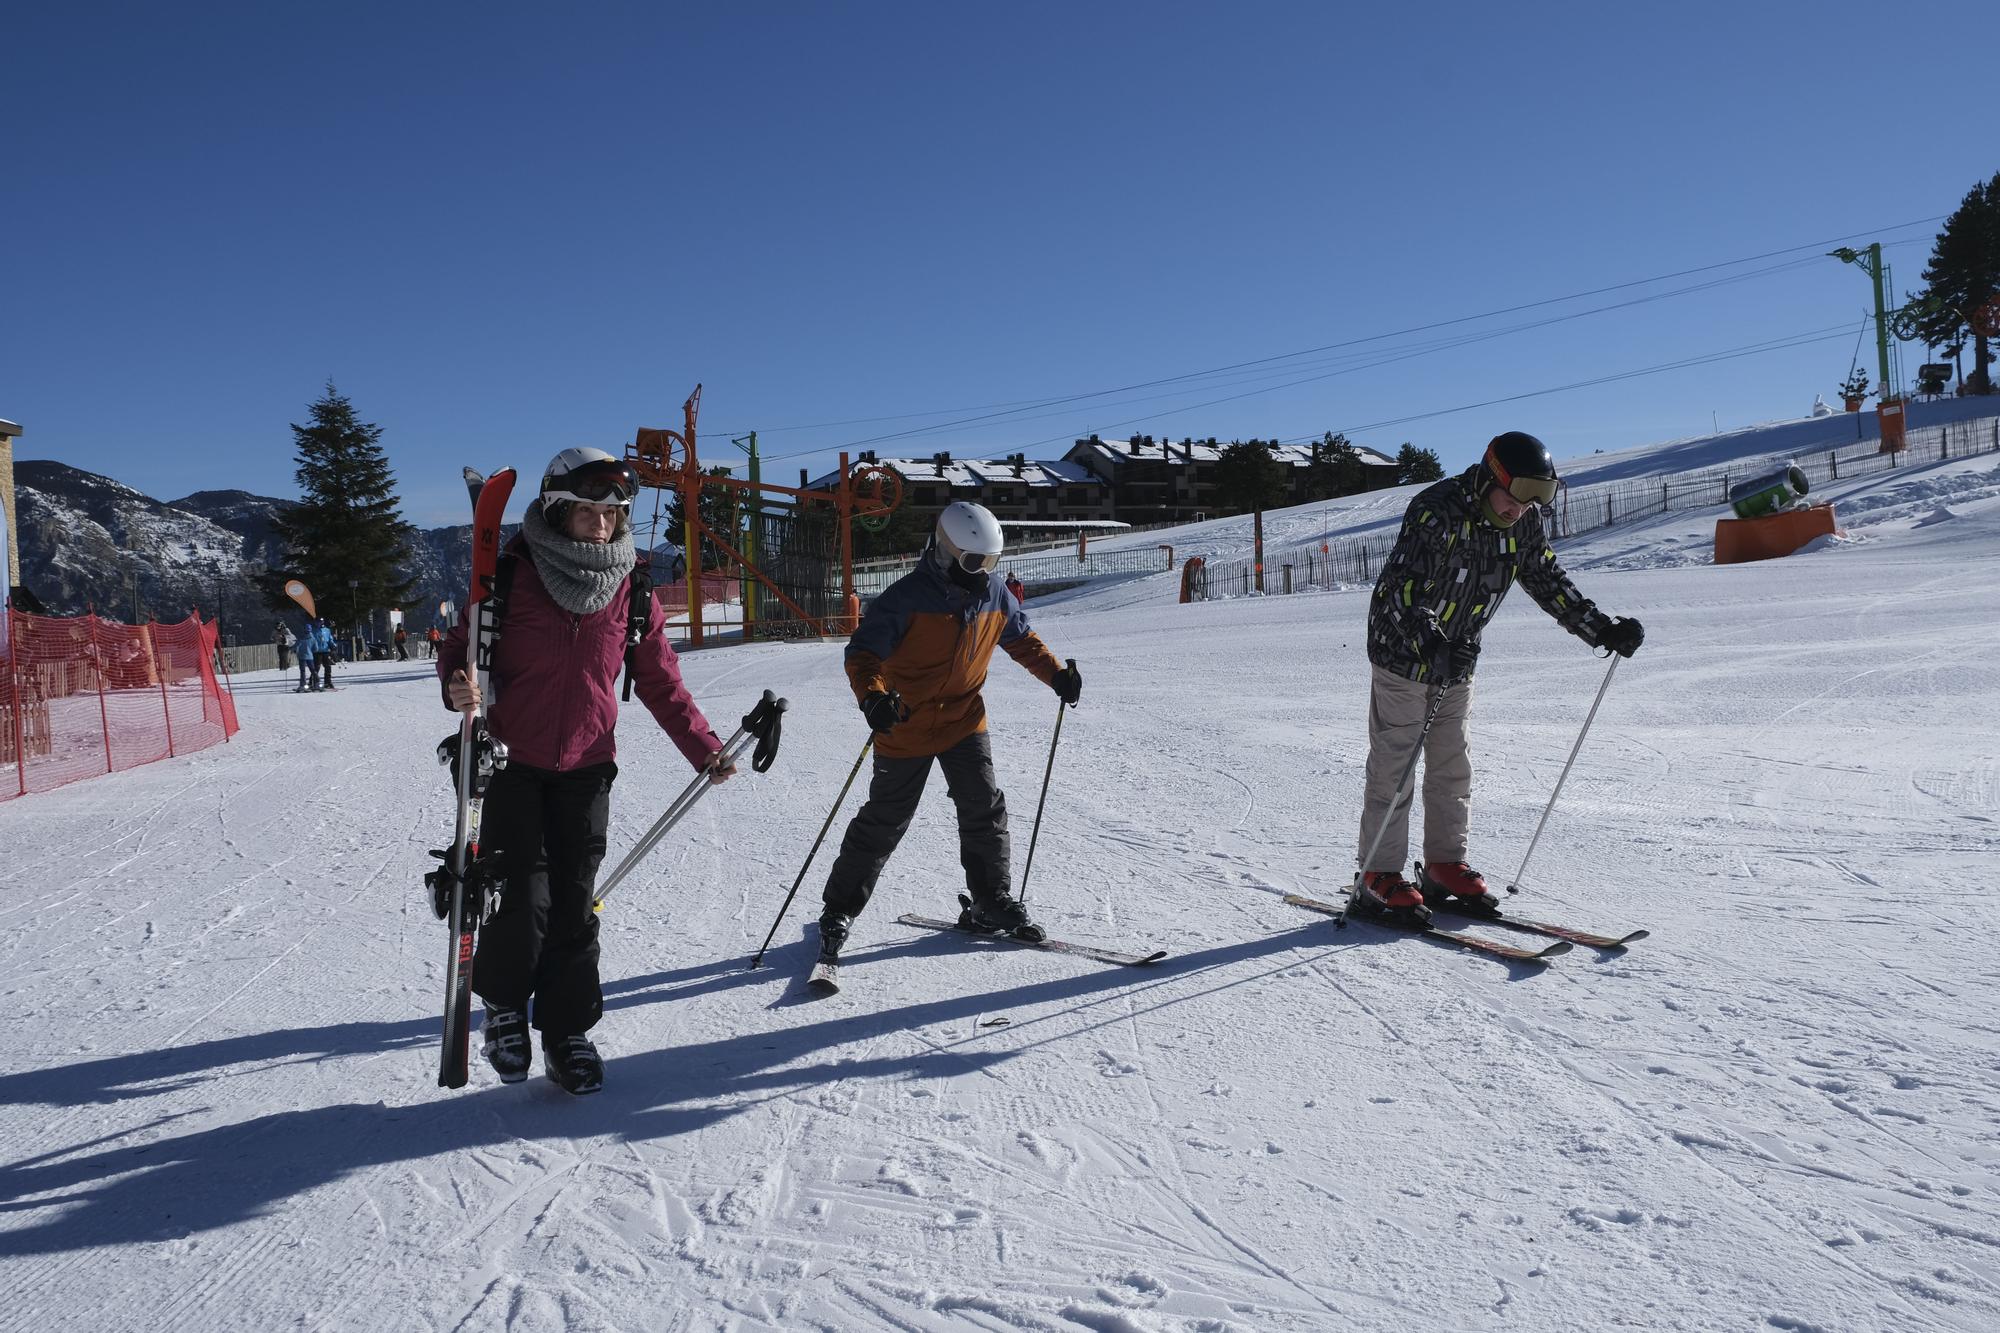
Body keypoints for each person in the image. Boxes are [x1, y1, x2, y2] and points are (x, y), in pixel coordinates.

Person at [440, 446, 736, 1095]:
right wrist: (457, 682)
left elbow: (660, 679)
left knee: (575, 903)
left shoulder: (630, 589)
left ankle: (569, 1029)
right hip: (513, 760)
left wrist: (704, 746)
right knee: (521, 894)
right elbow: (462, 646)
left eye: (614, 513)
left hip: (588, 766)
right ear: (556, 508)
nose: (603, 524)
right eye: (589, 511)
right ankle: (507, 1009)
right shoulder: (513, 573)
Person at [1352, 431, 1644, 924]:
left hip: (1458, 661)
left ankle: (1444, 864)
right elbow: (1398, 590)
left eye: (1538, 500)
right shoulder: (1436, 510)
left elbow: (1549, 581)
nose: (1520, 510)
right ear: (1491, 477)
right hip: (1404, 657)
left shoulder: (1522, 525)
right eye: (1514, 496)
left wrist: (1602, 631)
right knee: (1395, 770)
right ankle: (1377, 876)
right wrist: (1432, 641)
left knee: (1452, 768)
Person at [816, 500, 1081, 967]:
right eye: (973, 562)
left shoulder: (995, 594)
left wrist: (1056, 675)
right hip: (906, 723)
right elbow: (863, 656)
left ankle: (991, 899)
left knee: (984, 806)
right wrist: (873, 698)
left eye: (991, 563)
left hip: (963, 720)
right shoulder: (905, 599)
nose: (983, 573)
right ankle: (839, 909)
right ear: (944, 551)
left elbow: (1021, 639)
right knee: (884, 820)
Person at [313, 619, 338, 691]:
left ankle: (327, 682)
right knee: (316, 667)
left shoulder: (327, 630)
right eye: (318, 622)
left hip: (325, 651)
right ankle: (313, 682)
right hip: (317, 651)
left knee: (328, 666)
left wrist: (333, 645)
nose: (319, 623)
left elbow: (330, 639)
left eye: (321, 622)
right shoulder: (314, 630)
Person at [294, 617, 317, 692]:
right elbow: (315, 648)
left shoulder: (301, 637)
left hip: (301, 656)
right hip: (310, 656)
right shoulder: (313, 638)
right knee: (313, 670)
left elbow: (297, 646)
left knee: (303, 671)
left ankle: (303, 684)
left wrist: (295, 650)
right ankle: (316, 683)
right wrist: (311, 651)